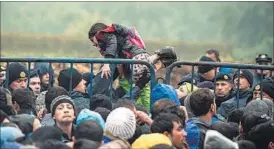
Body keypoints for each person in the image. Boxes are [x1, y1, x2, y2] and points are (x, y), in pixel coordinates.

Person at [88, 23, 178, 82]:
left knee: (138, 71)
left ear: (96, 33)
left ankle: (158, 55)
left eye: (92, 40)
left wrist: (106, 64)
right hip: (132, 58)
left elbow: (111, 46)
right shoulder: (108, 42)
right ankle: (160, 61)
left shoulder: (105, 34)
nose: (94, 44)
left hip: (135, 54)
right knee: (136, 77)